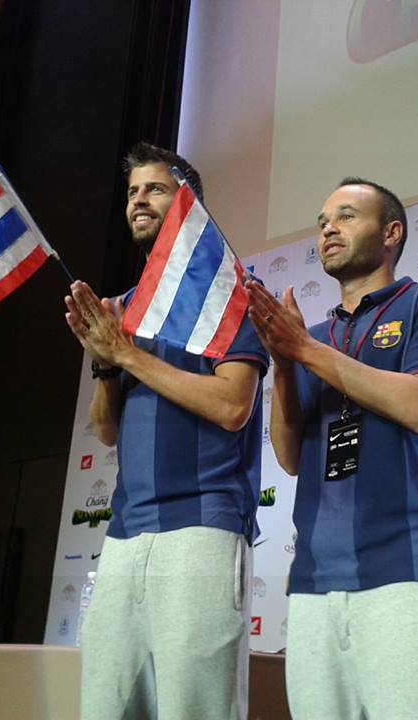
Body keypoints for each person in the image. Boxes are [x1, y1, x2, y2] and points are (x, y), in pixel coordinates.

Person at [246, 177, 418, 720]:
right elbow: (290, 456)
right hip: (315, 581)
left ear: (391, 233)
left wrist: (304, 350)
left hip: (409, 571)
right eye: (323, 221)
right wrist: (284, 364)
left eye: (347, 216)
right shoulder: (314, 335)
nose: (328, 229)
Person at [65, 142, 268, 720]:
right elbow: (106, 430)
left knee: (195, 709)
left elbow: (233, 406)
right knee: (106, 707)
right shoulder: (124, 309)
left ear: (188, 205)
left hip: (201, 525)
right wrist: (106, 365)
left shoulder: (234, 292)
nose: (138, 201)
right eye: (132, 192)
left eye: (154, 189)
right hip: (125, 533)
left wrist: (127, 356)